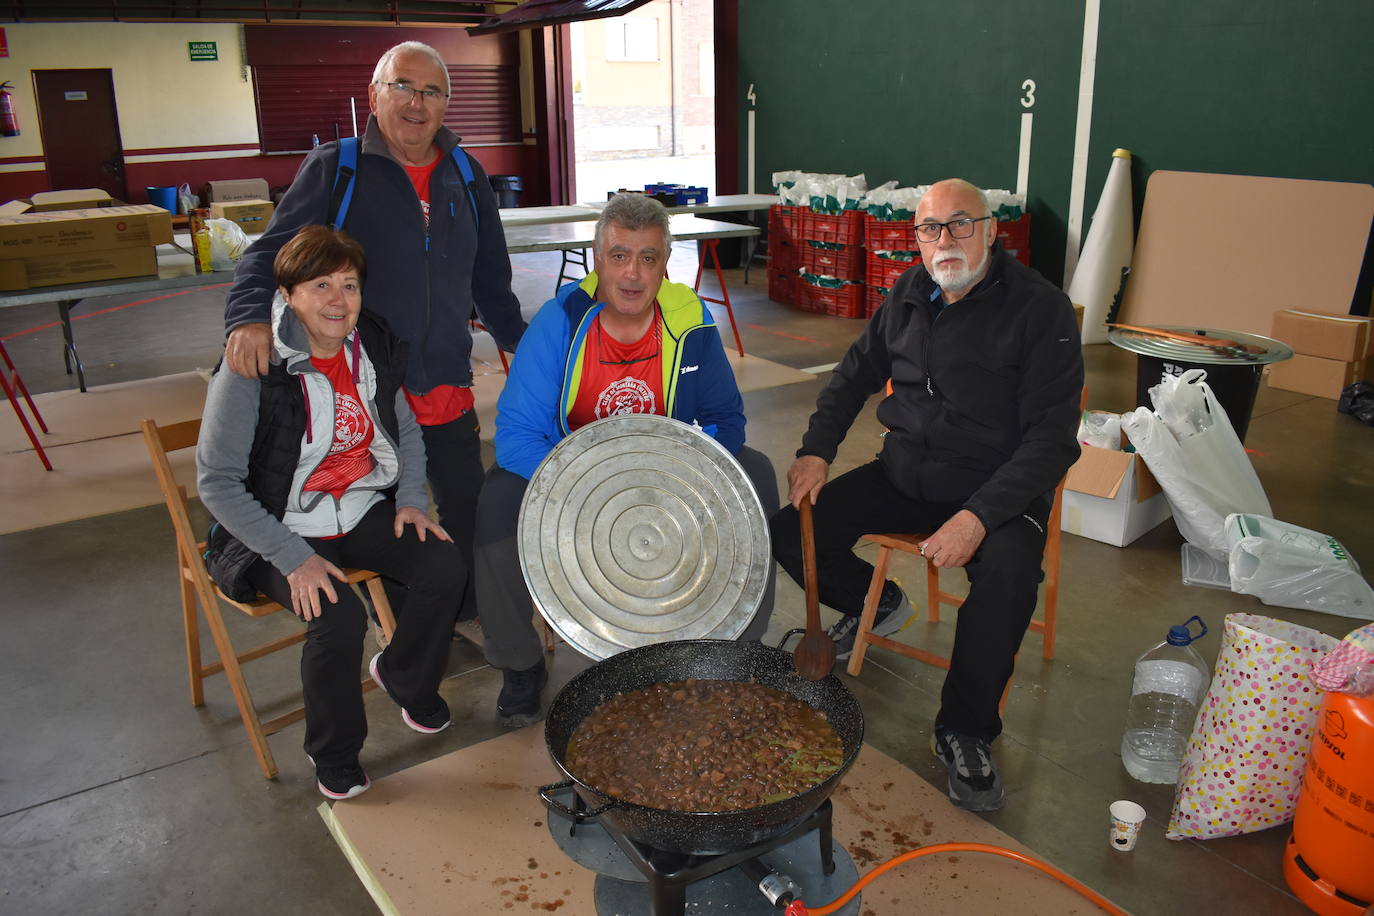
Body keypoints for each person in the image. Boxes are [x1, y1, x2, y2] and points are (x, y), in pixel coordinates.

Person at [770, 179, 1083, 812]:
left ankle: (965, 731)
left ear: (991, 231)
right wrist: (815, 449)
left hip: (996, 489)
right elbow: (853, 375)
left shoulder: (1038, 309)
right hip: (906, 475)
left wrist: (978, 517)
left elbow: (1053, 442)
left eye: (961, 224)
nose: (945, 241)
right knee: (788, 529)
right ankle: (875, 599)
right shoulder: (908, 294)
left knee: (1009, 577)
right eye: (930, 229)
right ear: (915, 239)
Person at [222, 40, 523, 623]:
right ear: (374, 96)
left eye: (432, 91)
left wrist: (531, 346)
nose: (417, 103)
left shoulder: (466, 172)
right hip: (367, 392)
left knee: (467, 509)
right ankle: (415, 636)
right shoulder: (338, 169)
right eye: (403, 87)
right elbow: (267, 255)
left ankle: (464, 616)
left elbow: (491, 280)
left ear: (445, 103)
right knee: (389, 526)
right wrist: (248, 318)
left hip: (446, 382)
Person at [475, 192, 778, 726]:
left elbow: (727, 421)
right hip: (568, 475)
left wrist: (686, 476)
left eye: (648, 257)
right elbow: (517, 434)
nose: (632, 274)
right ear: (597, 260)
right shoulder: (560, 322)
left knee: (756, 474)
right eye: (619, 256)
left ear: (665, 263)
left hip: (670, 477)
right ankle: (519, 664)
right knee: (498, 500)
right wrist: (582, 488)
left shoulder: (690, 320)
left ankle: (735, 646)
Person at [198, 226, 465, 800]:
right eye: (321, 285)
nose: (339, 300)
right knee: (338, 617)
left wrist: (413, 500)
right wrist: (295, 559)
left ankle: (404, 677)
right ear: (289, 294)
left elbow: (407, 429)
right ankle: (335, 753)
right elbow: (216, 484)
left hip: (359, 507)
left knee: (443, 566)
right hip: (275, 526)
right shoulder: (253, 364)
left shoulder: (370, 347)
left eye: (349, 284)